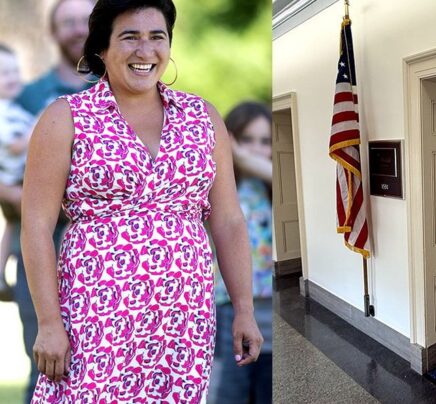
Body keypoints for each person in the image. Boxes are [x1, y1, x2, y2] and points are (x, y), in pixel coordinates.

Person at [20, 1, 262, 402]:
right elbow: (36, 225)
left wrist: (244, 309)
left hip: (182, 314)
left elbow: (229, 220)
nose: (145, 50)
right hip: (95, 310)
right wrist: (49, 322)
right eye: (129, 37)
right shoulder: (65, 118)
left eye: (157, 37)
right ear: (101, 47)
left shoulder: (202, 117)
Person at [1, 2, 95, 401]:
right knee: (44, 364)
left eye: (84, 21)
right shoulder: (28, 97)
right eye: (66, 22)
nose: (76, 30)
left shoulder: (126, 88)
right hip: (39, 249)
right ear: (54, 33)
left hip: (105, 259)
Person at [211, 101, 273, 404]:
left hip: (270, 309)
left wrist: (242, 155)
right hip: (230, 307)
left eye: (265, 141)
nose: (256, 149)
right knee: (231, 391)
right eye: (247, 140)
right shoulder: (219, 186)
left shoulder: (271, 184)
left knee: (265, 389)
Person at [0, 44, 33, 303]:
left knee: (12, 227)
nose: (12, 78)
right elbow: (15, 145)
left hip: (16, 178)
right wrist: (37, 127)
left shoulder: (12, 107)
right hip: (13, 181)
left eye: (14, 71)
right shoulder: (2, 114)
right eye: (4, 73)